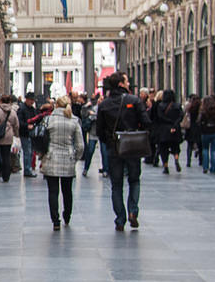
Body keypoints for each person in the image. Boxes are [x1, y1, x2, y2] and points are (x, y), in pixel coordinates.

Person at [95, 71, 151, 231]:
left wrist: (110, 141)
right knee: (134, 180)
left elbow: (100, 130)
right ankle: (133, 211)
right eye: (126, 81)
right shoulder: (134, 101)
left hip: (114, 148)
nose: (128, 84)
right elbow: (146, 122)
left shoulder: (104, 105)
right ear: (121, 84)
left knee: (116, 185)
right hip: (133, 146)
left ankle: (120, 218)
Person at [39, 96, 84, 230]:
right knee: (67, 190)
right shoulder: (74, 121)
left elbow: (42, 140)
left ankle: (55, 220)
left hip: (52, 157)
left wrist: (43, 156)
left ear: (56, 105)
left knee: (53, 191)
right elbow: (80, 146)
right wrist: (75, 157)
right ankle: (67, 215)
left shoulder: (48, 120)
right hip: (68, 159)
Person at [153, 89, 184, 174]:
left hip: (164, 129)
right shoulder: (177, 105)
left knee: (163, 149)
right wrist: (175, 124)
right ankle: (176, 158)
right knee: (176, 146)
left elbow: (160, 117)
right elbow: (181, 116)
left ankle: (165, 166)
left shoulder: (160, 105)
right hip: (175, 129)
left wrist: (168, 122)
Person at [197, 94, 215, 174]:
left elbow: (199, 121)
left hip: (206, 132)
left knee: (205, 149)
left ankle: (205, 167)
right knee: (213, 150)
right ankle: (213, 168)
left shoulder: (203, 111)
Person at [17, 92, 37, 177]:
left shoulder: (32, 109)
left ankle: (28, 168)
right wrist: (27, 125)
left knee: (30, 152)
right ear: (27, 99)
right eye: (31, 100)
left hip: (31, 133)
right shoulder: (22, 109)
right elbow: (19, 122)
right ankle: (27, 169)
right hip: (24, 133)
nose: (32, 102)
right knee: (27, 152)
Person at [183, 95, 201, 167]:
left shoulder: (189, 108)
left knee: (189, 146)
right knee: (200, 145)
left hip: (190, 128)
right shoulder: (200, 108)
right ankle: (201, 160)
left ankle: (188, 161)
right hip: (198, 128)